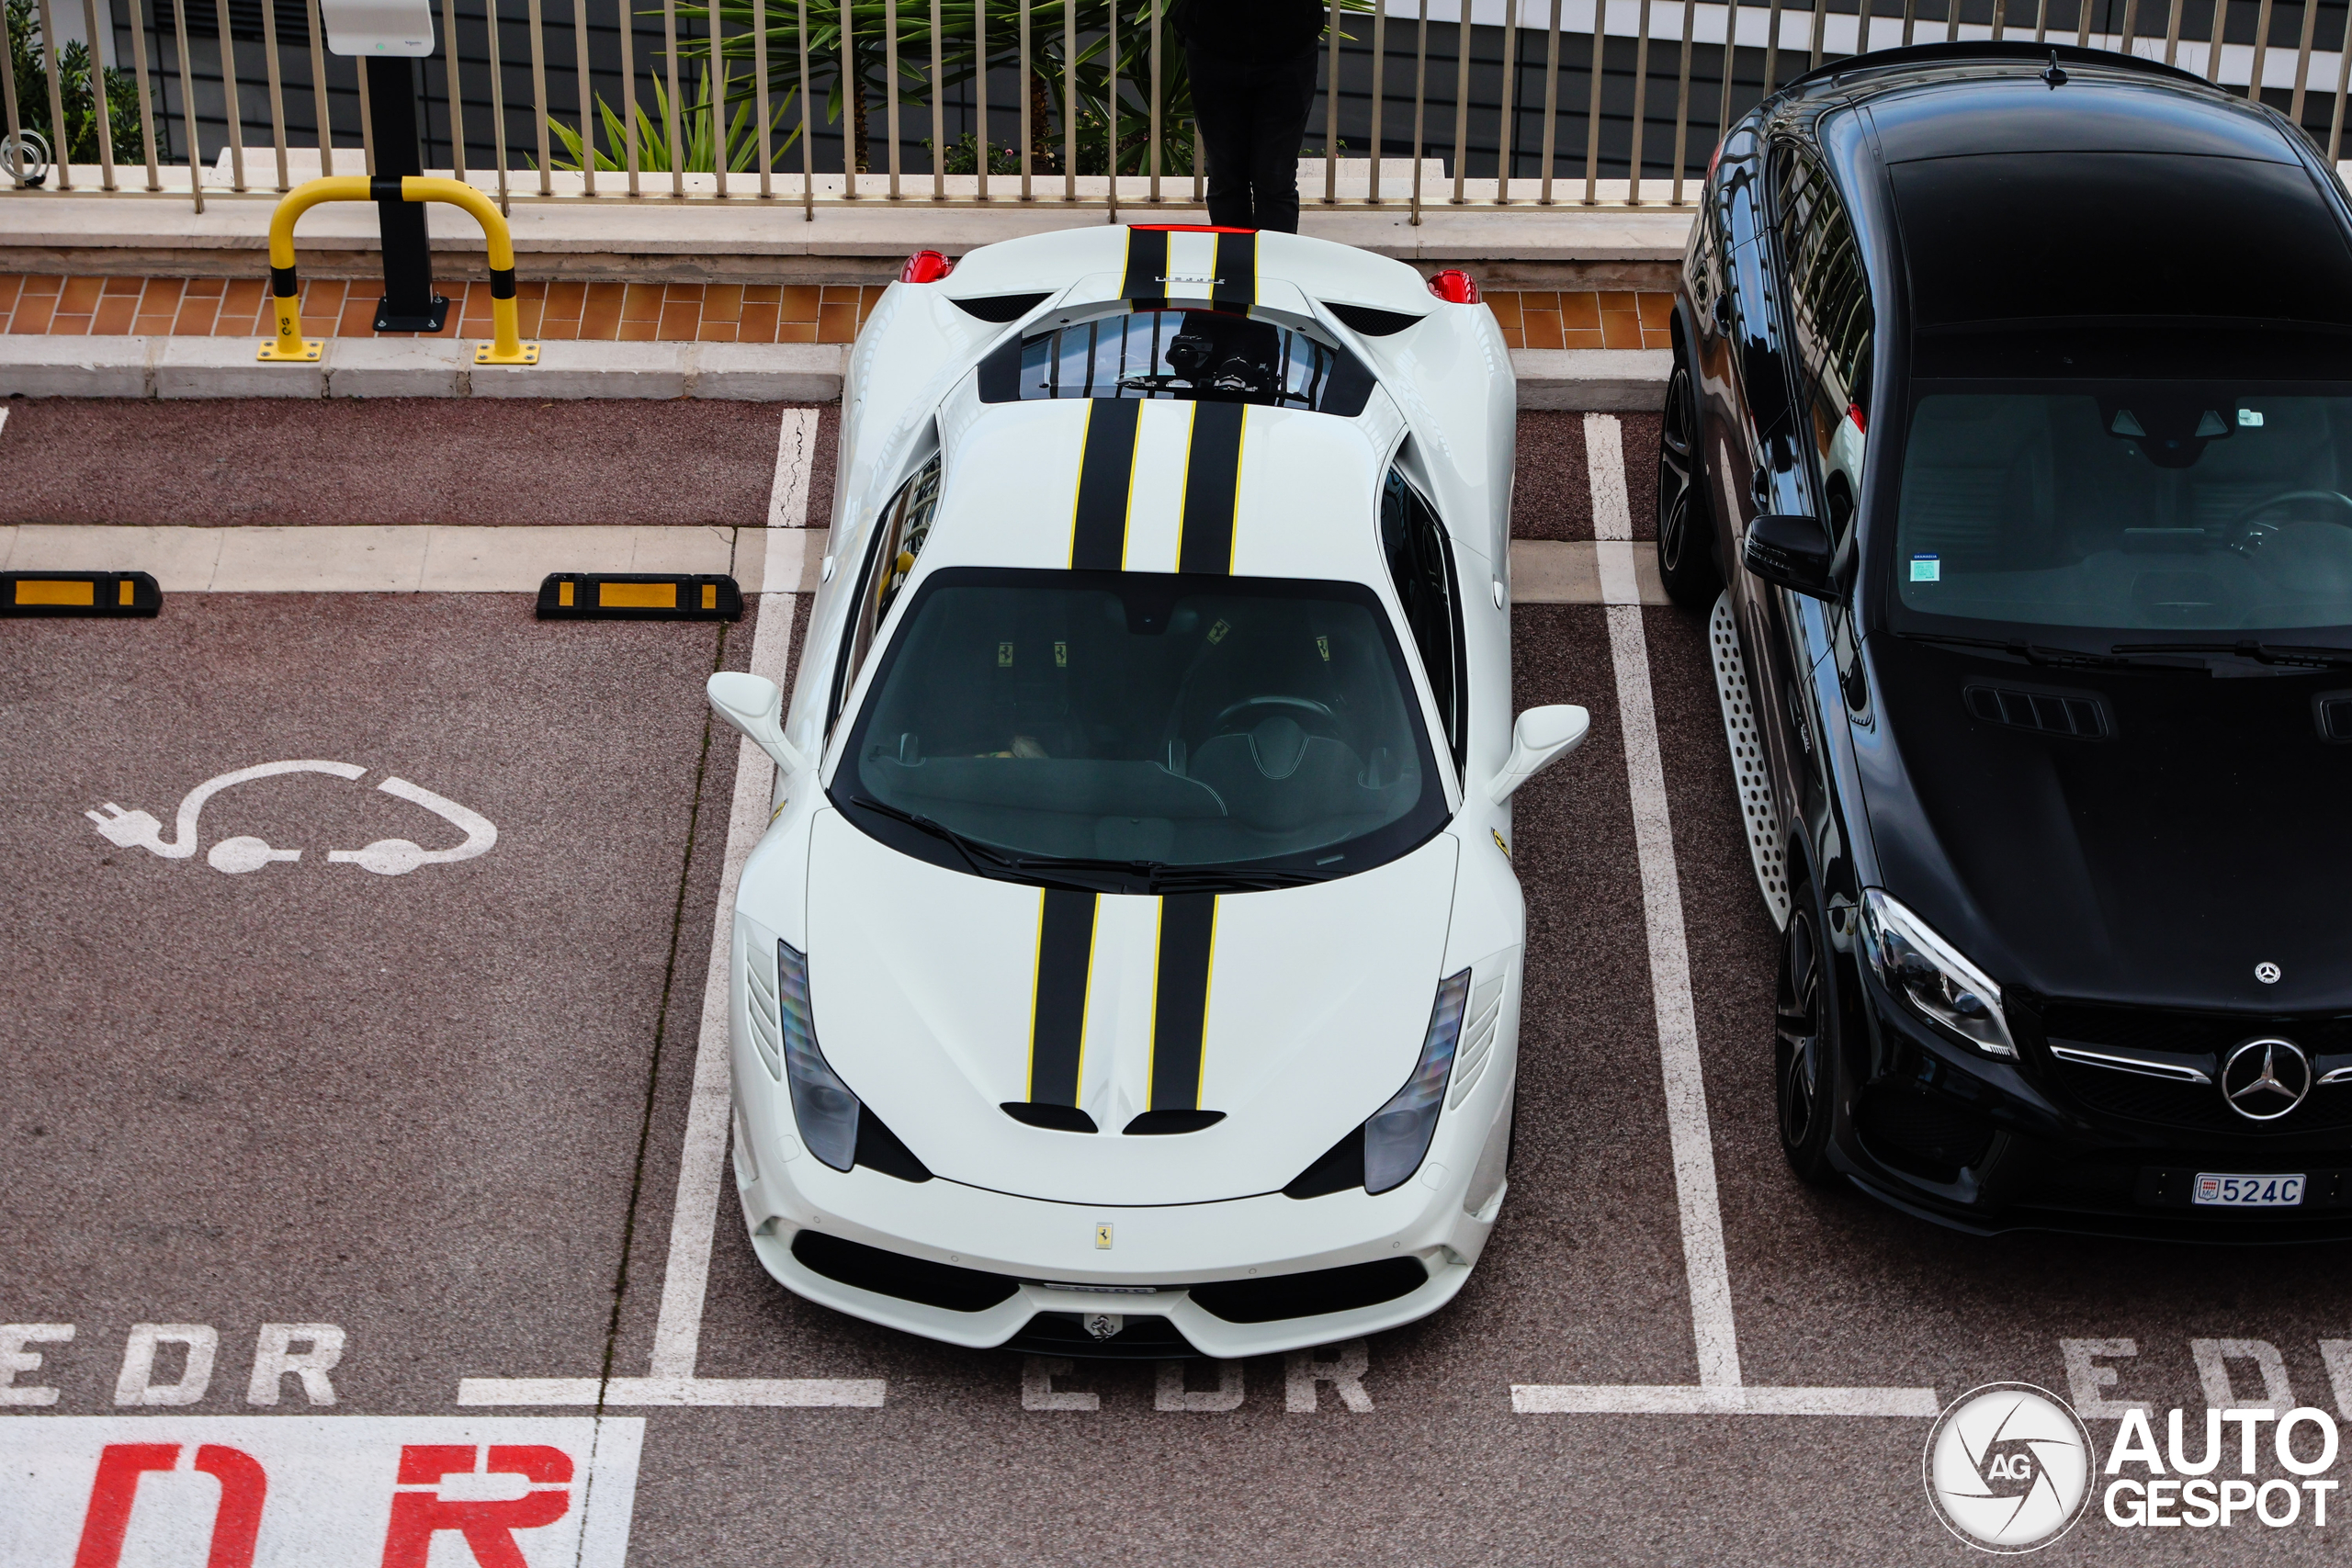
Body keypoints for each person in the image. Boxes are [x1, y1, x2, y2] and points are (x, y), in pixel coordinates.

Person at [1174, 3, 1329, 232]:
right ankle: (1233, 265)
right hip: (1211, 44)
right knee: (1226, 177)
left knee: (1275, 178)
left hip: (1290, 47)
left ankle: (1270, 266)